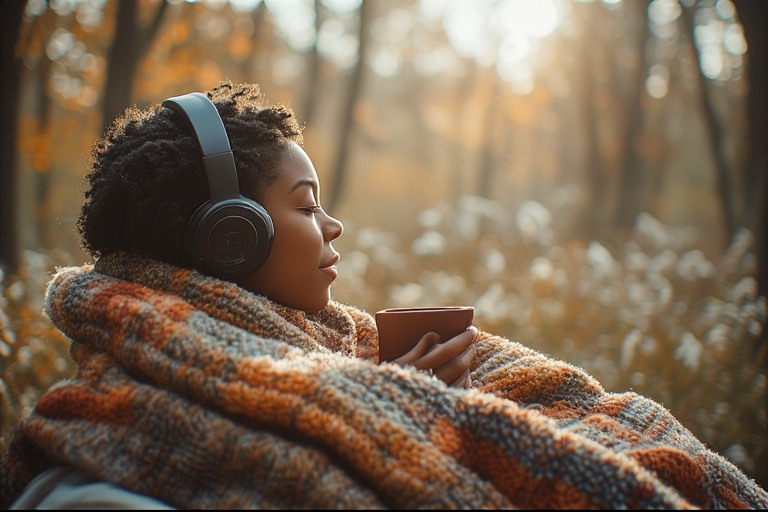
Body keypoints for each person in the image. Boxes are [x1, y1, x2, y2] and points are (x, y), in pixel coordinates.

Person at [1, 82, 766, 509]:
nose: (333, 226)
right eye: (304, 205)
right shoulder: (98, 473)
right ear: (228, 236)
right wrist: (398, 415)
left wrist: (401, 403)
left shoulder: (337, 347)